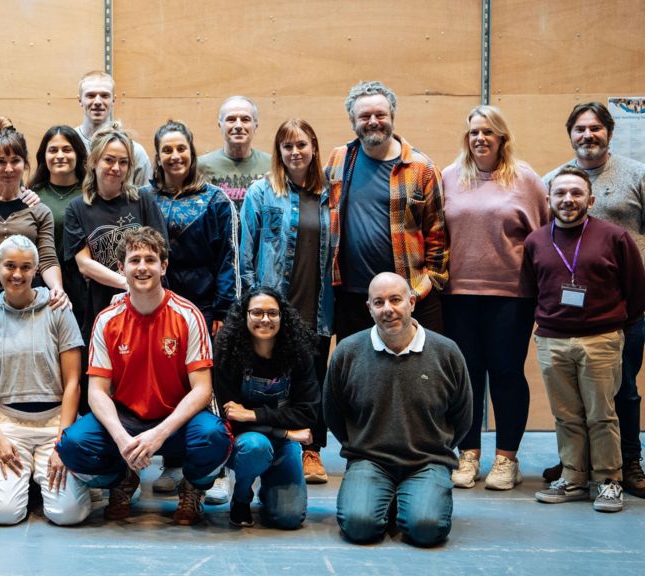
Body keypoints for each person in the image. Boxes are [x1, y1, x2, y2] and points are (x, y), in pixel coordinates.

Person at [56, 227, 232, 526]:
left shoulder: (189, 315)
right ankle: (121, 479)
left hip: (177, 421)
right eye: (134, 260)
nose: (141, 267)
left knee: (215, 438)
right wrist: (123, 440)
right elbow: (97, 392)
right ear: (121, 268)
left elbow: (202, 390)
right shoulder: (107, 320)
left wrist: (159, 433)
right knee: (72, 446)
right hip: (126, 418)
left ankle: (192, 486)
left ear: (164, 267)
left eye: (150, 260)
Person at [523, 166, 645, 513]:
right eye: (560, 193)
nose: (568, 199)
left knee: (602, 414)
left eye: (576, 193)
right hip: (552, 341)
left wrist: (614, 324)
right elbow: (532, 290)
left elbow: (636, 291)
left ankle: (609, 481)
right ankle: (574, 479)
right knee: (566, 415)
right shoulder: (536, 241)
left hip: (601, 339)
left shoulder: (614, 237)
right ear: (549, 199)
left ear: (590, 200)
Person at [441, 106, 549, 491]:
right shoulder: (450, 177)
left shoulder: (525, 179)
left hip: (511, 296)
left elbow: (542, 237)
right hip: (458, 296)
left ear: (502, 137)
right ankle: (468, 454)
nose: (479, 138)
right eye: (473, 132)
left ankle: (507, 459)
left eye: (488, 131)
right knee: (465, 378)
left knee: (505, 374)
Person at [325, 272, 472, 547]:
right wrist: (359, 445)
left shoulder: (446, 352)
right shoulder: (348, 352)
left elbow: (462, 415)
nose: (388, 309)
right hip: (370, 460)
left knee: (426, 529)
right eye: (378, 303)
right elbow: (334, 412)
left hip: (427, 461)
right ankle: (385, 495)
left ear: (412, 302)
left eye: (396, 300)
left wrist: (438, 448)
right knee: (359, 527)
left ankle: (411, 496)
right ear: (369, 308)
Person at [141, 120, 237, 500]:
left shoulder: (216, 200)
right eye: (167, 150)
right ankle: (174, 462)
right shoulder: (146, 198)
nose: (174, 156)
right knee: (169, 385)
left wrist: (223, 313)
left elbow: (228, 259)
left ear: (192, 152)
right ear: (158, 155)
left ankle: (218, 469)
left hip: (205, 308)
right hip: (159, 309)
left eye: (181, 148)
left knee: (210, 388)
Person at [241, 118, 335, 486]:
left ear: (313, 147)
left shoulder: (329, 193)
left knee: (314, 378)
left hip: (317, 305)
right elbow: (244, 255)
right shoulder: (261, 192)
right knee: (271, 381)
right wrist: (251, 302)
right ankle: (268, 448)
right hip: (272, 308)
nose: (295, 152)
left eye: (301, 145)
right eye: (287, 146)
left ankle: (312, 450)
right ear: (278, 152)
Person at [0, 235, 91, 526]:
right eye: (10, 266)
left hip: (54, 423)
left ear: (36, 270)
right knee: (4, 514)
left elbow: (73, 383)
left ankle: (46, 481)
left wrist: (63, 443)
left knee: (68, 514)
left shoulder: (58, 310)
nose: (17, 274)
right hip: (7, 425)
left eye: (26, 267)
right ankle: (25, 483)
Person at [325, 81, 447, 339]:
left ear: (392, 116)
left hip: (410, 297)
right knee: (358, 376)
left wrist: (424, 287)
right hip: (353, 297)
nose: (373, 121)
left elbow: (438, 235)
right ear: (352, 120)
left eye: (380, 114)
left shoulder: (421, 168)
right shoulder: (339, 159)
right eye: (364, 116)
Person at [213, 286, 319, 529]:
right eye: (257, 313)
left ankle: (269, 487)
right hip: (244, 443)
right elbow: (232, 418)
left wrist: (253, 414)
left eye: (273, 313)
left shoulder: (298, 353)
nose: (265, 320)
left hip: (282, 445)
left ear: (283, 317)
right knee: (255, 446)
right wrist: (284, 431)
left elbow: (308, 412)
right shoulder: (228, 352)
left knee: (289, 518)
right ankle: (241, 497)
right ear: (245, 315)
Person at [63, 123, 167, 340]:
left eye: (123, 162)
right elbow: (84, 264)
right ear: (94, 162)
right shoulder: (77, 208)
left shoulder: (142, 199)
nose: (116, 167)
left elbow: (162, 251)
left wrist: (138, 285)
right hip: (102, 306)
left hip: (149, 302)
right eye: (109, 160)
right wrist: (127, 283)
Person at [0, 118, 68, 320]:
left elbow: (48, 258)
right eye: (1, 161)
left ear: (25, 164)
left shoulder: (40, 210)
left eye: (15, 161)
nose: (8, 169)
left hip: (30, 292)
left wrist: (57, 288)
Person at [28, 126, 89, 324]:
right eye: (53, 150)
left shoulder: (91, 194)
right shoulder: (32, 195)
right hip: (41, 284)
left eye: (67, 149)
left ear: (78, 154)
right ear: (44, 156)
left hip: (83, 285)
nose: (60, 155)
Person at [73, 71, 151, 186]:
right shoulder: (67, 146)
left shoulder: (135, 152)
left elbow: (145, 199)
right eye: (90, 95)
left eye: (105, 96)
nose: (98, 102)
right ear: (80, 100)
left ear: (113, 100)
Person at [198, 96, 273, 210]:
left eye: (245, 119)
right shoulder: (200, 165)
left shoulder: (272, 164)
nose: (238, 126)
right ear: (220, 125)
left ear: (255, 125)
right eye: (231, 119)